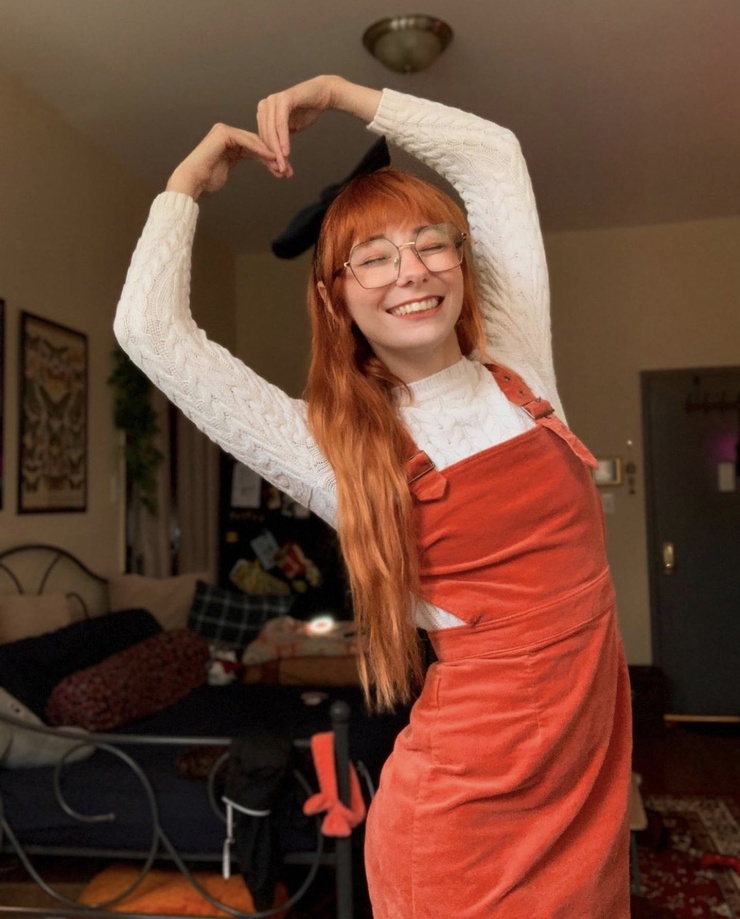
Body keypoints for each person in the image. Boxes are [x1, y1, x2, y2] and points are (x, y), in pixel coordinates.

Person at [115, 75, 632, 918]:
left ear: (460, 262)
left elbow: (493, 156)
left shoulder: (519, 366)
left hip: (586, 782)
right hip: (462, 821)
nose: (412, 271)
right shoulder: (334, 447)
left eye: (431, 244)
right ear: (337, 296)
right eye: (375, 257)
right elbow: (149, 332)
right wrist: (183, 189)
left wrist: (344, 93)